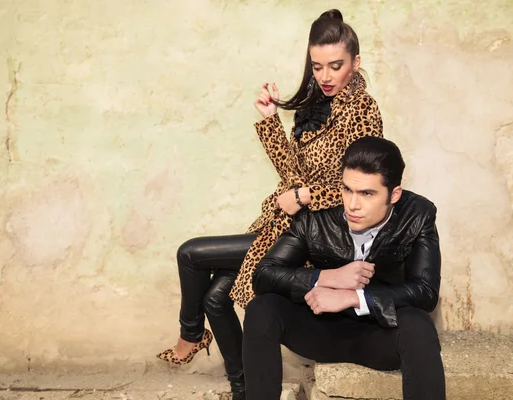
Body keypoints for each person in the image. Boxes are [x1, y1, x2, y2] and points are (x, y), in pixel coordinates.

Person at [157, 9, 383, 400]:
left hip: (319, 238)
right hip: (287, 225)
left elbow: (363, 186)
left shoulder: (363, 111)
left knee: (191, 254)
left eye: (335, 66)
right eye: (317, 66)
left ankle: (189, 336)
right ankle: (243, 390)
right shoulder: (317, 107)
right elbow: (294, 174)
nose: (325, 76)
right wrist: (269, 121)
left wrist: (304, 196)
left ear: (356, 63)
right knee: (215, 297)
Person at [243, 136, 446, 400]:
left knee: (417, 324)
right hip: (322, 330)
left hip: (379, 334)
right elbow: (264, 275)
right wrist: (326, 277)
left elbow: (425, 291)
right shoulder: (316, 217)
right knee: (262, 309)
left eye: (367, 194)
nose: (352, 204)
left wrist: (353, 297)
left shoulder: (417, 214)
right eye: (347, 189)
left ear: (394, 194)